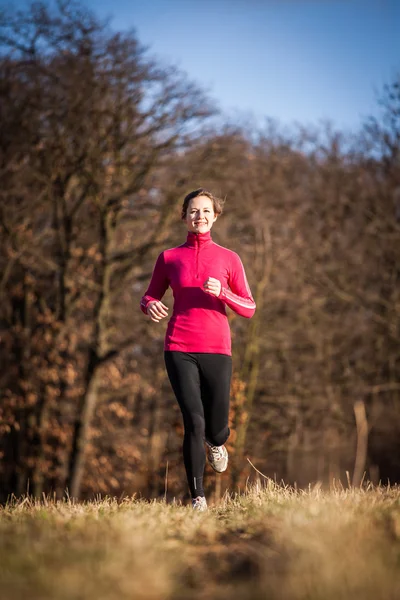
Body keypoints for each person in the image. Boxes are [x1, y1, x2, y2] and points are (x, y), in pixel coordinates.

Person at [140, 188, 256, 511]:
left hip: (217, 349)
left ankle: (216, 443)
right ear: (184, 216)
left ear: (215, 216)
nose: (199, 216)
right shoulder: (168, 258)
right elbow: (149, 295)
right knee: (193, 419)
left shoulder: (229, 258)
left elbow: (249, 307)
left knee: (216, 428)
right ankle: (197, 498)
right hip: (178, 346)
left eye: (206, 211)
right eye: (193, 211)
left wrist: (224, 295)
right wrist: (149, 305)